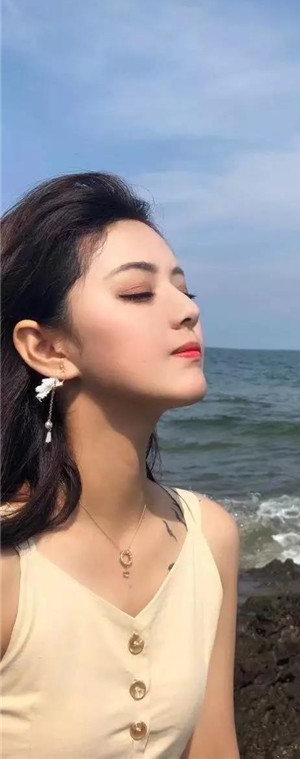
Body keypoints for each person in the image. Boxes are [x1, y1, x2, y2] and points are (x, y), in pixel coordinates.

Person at [0, 172, 241, 758]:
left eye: (185, 289)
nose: (187, 310)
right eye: (137, 293)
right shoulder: (9, 564)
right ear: (47, 348)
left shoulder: (209, 537)